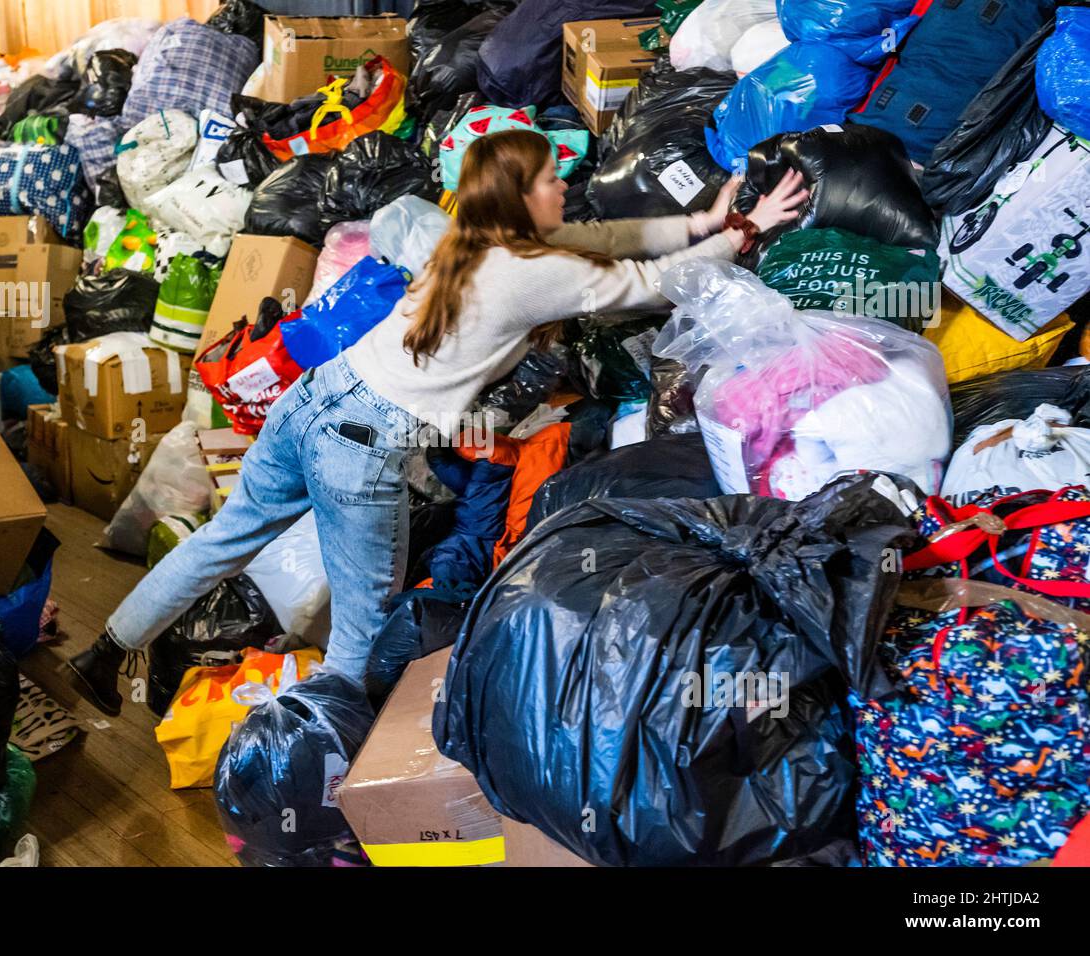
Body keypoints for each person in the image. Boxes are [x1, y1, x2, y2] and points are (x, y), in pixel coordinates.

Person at [68, 128, 809, 716]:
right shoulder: (530, 271)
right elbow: (652, 286)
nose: (563, 188)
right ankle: (328, 766)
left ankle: (104, 652)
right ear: (521, 196)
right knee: (363, 625)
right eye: (552, 178)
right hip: (363, 445)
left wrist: (701, 219)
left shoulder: (472, 239)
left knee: (222, 544)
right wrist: (743, 231)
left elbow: (597, 240)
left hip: (313, 402)